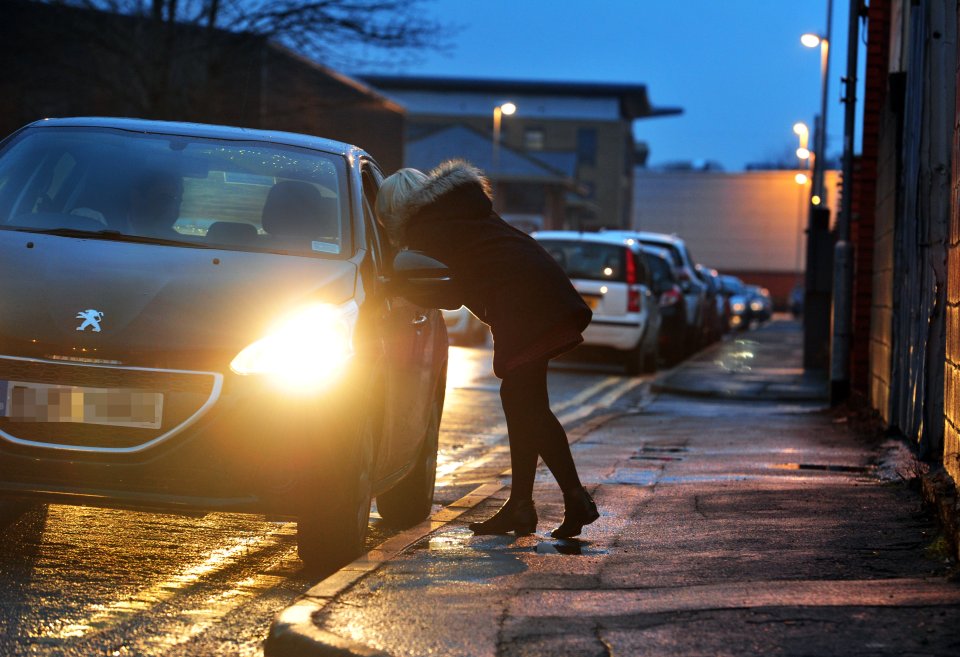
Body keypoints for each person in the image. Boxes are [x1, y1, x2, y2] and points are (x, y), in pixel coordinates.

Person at [375, 160, 599, 538]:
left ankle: (573, 499)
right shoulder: (455, 210)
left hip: (526, 303)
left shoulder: (428, 228)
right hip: (537, 290)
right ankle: (524, 507)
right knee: (522, 402)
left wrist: (394, 286)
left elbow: (446, 294)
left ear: (394, 211)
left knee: (526, 404)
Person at [127, 169, 183, 239]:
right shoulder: (112, 237)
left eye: (178, 202)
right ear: (136, 198)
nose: (172, 210)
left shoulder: (180, 244)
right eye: (164, 199)